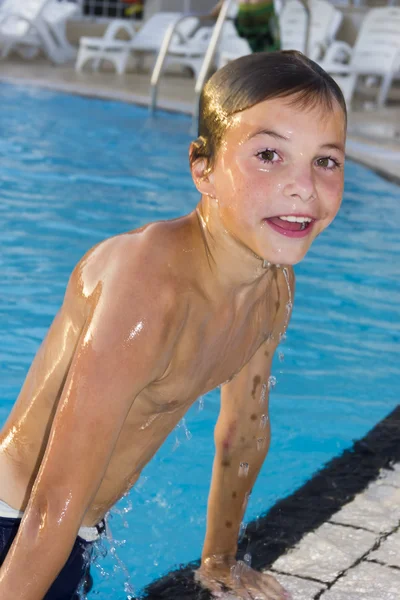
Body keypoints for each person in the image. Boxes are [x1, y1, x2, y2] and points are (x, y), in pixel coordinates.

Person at [0, 50, 346, 600]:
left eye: (325, 161)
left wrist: (220, 562)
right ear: (203, 168)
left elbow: (244, 430)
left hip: (71, 532)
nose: (303, 185)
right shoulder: (147, 291)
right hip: (16, 527)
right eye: (269, 155)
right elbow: (48, 506)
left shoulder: (272, 288)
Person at [209, 0, 280, 53]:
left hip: (247, 9)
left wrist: (219, 6)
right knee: (271, 48)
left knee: (259, 50)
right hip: (258, 9)